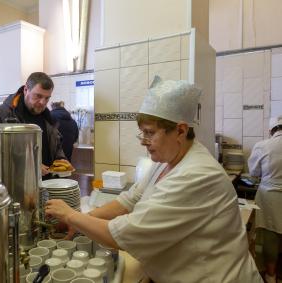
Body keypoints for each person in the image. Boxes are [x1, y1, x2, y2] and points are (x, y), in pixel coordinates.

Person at [45, 77, 263, 283]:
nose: (144, 141)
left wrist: (71, 215)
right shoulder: (165, 160)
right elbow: (129, 199)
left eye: (150, 133)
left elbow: (125, 234)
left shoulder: (197, 174)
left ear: (180, 131)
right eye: (142, 133)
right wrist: (86, 220)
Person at [0, 72, 71, 177]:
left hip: (47, 186)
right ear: (26, 90)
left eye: (47, 98)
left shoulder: (48, 119)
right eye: (38, 96)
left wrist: (61, 159)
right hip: (15, 186)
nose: (43, 102)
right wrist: (29, 164)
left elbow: (56, 146)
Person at [248, 116, 282, 283]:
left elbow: (254, 172)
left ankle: (271, 275)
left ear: (271, 131)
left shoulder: (263, 146)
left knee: (270, 237)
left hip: (269, 197)